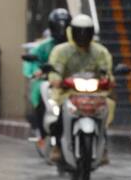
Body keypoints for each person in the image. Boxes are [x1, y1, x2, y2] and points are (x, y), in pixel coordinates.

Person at [47, 14, 115, 163]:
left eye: (86, 32)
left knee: (104, 111)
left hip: (95, 93)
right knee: (58, 113)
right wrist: (57, 80)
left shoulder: (100, 52)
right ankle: (57, 146)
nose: (83, 36)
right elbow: (55, 69)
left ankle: (103, 148)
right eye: (79, 32)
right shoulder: (61, 51)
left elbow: (106, 71)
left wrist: (108, 81)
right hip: (67, 93)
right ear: (72, 31)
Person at [23, 8, 71, 143]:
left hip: (69, 83)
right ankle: (42, 130)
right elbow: (32, 63)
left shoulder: (76, 47)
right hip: (49, 81)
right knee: (40, 90)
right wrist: (36, 72)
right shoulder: (44, 46)